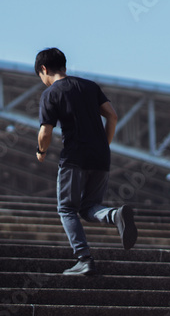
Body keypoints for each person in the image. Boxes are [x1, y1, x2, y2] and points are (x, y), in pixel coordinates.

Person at [35, 47, 137, 276]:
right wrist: (104, 146)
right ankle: (114, 215)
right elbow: (112, 115)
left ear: (43, 69)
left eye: (40, 76)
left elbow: (45, 132)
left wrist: (41, 151)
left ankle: (84, 259)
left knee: (66, 209)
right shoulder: (89, 86)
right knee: (89, 207)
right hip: (100, 157)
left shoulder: (51, 93)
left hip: (75, 158)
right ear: (63, 65)